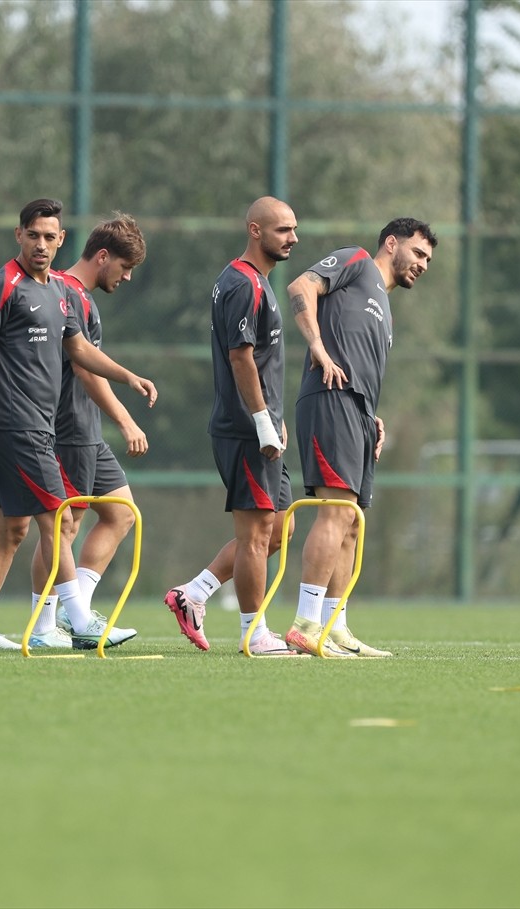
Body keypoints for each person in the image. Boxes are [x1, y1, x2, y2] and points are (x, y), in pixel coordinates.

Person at [0, 198, 158, 651]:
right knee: (56, 518)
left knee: (12, 528)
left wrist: (128, 377)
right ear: (19, 235)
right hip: (15, 422)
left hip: (39, 425)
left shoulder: (60, 292)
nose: (41, 245)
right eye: (33, 235)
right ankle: (77, 620)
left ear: (61, 239)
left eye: (49, 237)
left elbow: (79, 351)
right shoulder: (2, 285)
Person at [284, 217, 438, 657]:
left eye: (429, 259)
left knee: (351, 523)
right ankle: (304, 625)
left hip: (358, 411)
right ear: (391, 243)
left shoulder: (384, 308)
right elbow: (300, 286)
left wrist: (373, 416)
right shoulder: (356, 261)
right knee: (336, 512)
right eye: (418, 253)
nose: (423, 264)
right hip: (330, 398)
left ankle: (334, 627)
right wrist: (317, 346)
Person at [164, 196, 304, 656]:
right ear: (255, 230)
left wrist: (275, 418)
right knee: (256, 535)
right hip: (246, 432)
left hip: (262, 427)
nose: (293, 238)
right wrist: (263, 422)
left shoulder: (256, 281)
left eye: (294, 229)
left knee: (280, 529)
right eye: (283, 229)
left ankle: (194, 593)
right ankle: (254, 633)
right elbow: (240, 358)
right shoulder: (243, 283)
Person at [20, 214, 149, 648]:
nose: (127, 277)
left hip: (87, 430)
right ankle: (44, 626)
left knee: (120, 512)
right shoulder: (68, 294)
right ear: (102, 256)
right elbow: (83, 367)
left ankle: (75, 612)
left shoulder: (77, 295)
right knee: (64, 527)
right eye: (124, 267)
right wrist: (125, 420)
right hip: (68, 427)